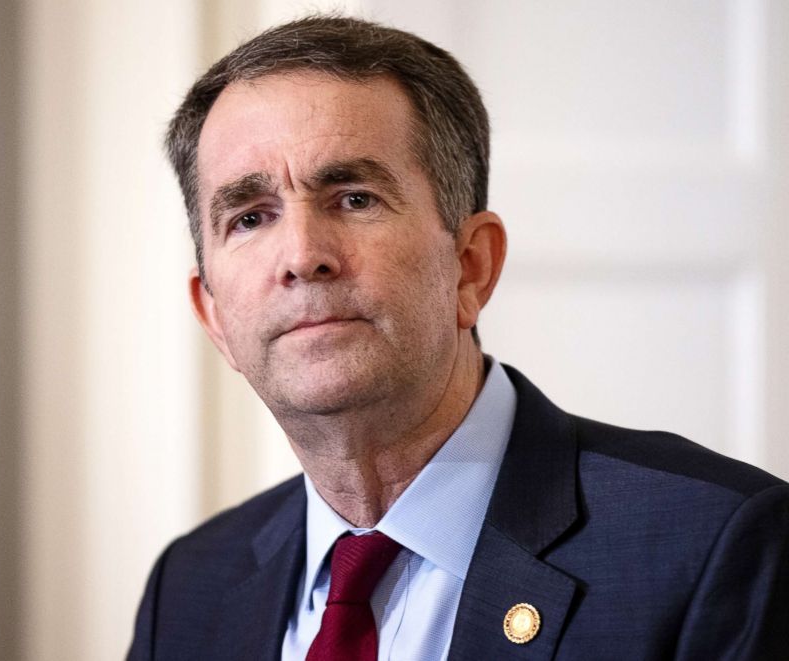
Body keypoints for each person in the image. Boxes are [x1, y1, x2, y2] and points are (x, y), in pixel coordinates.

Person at [128, 15, 788, 660]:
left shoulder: (718, 546)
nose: (302, 254)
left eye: (354, 197)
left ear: (472, 264)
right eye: (249, 217)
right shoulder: (189, 588)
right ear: (213, 314)